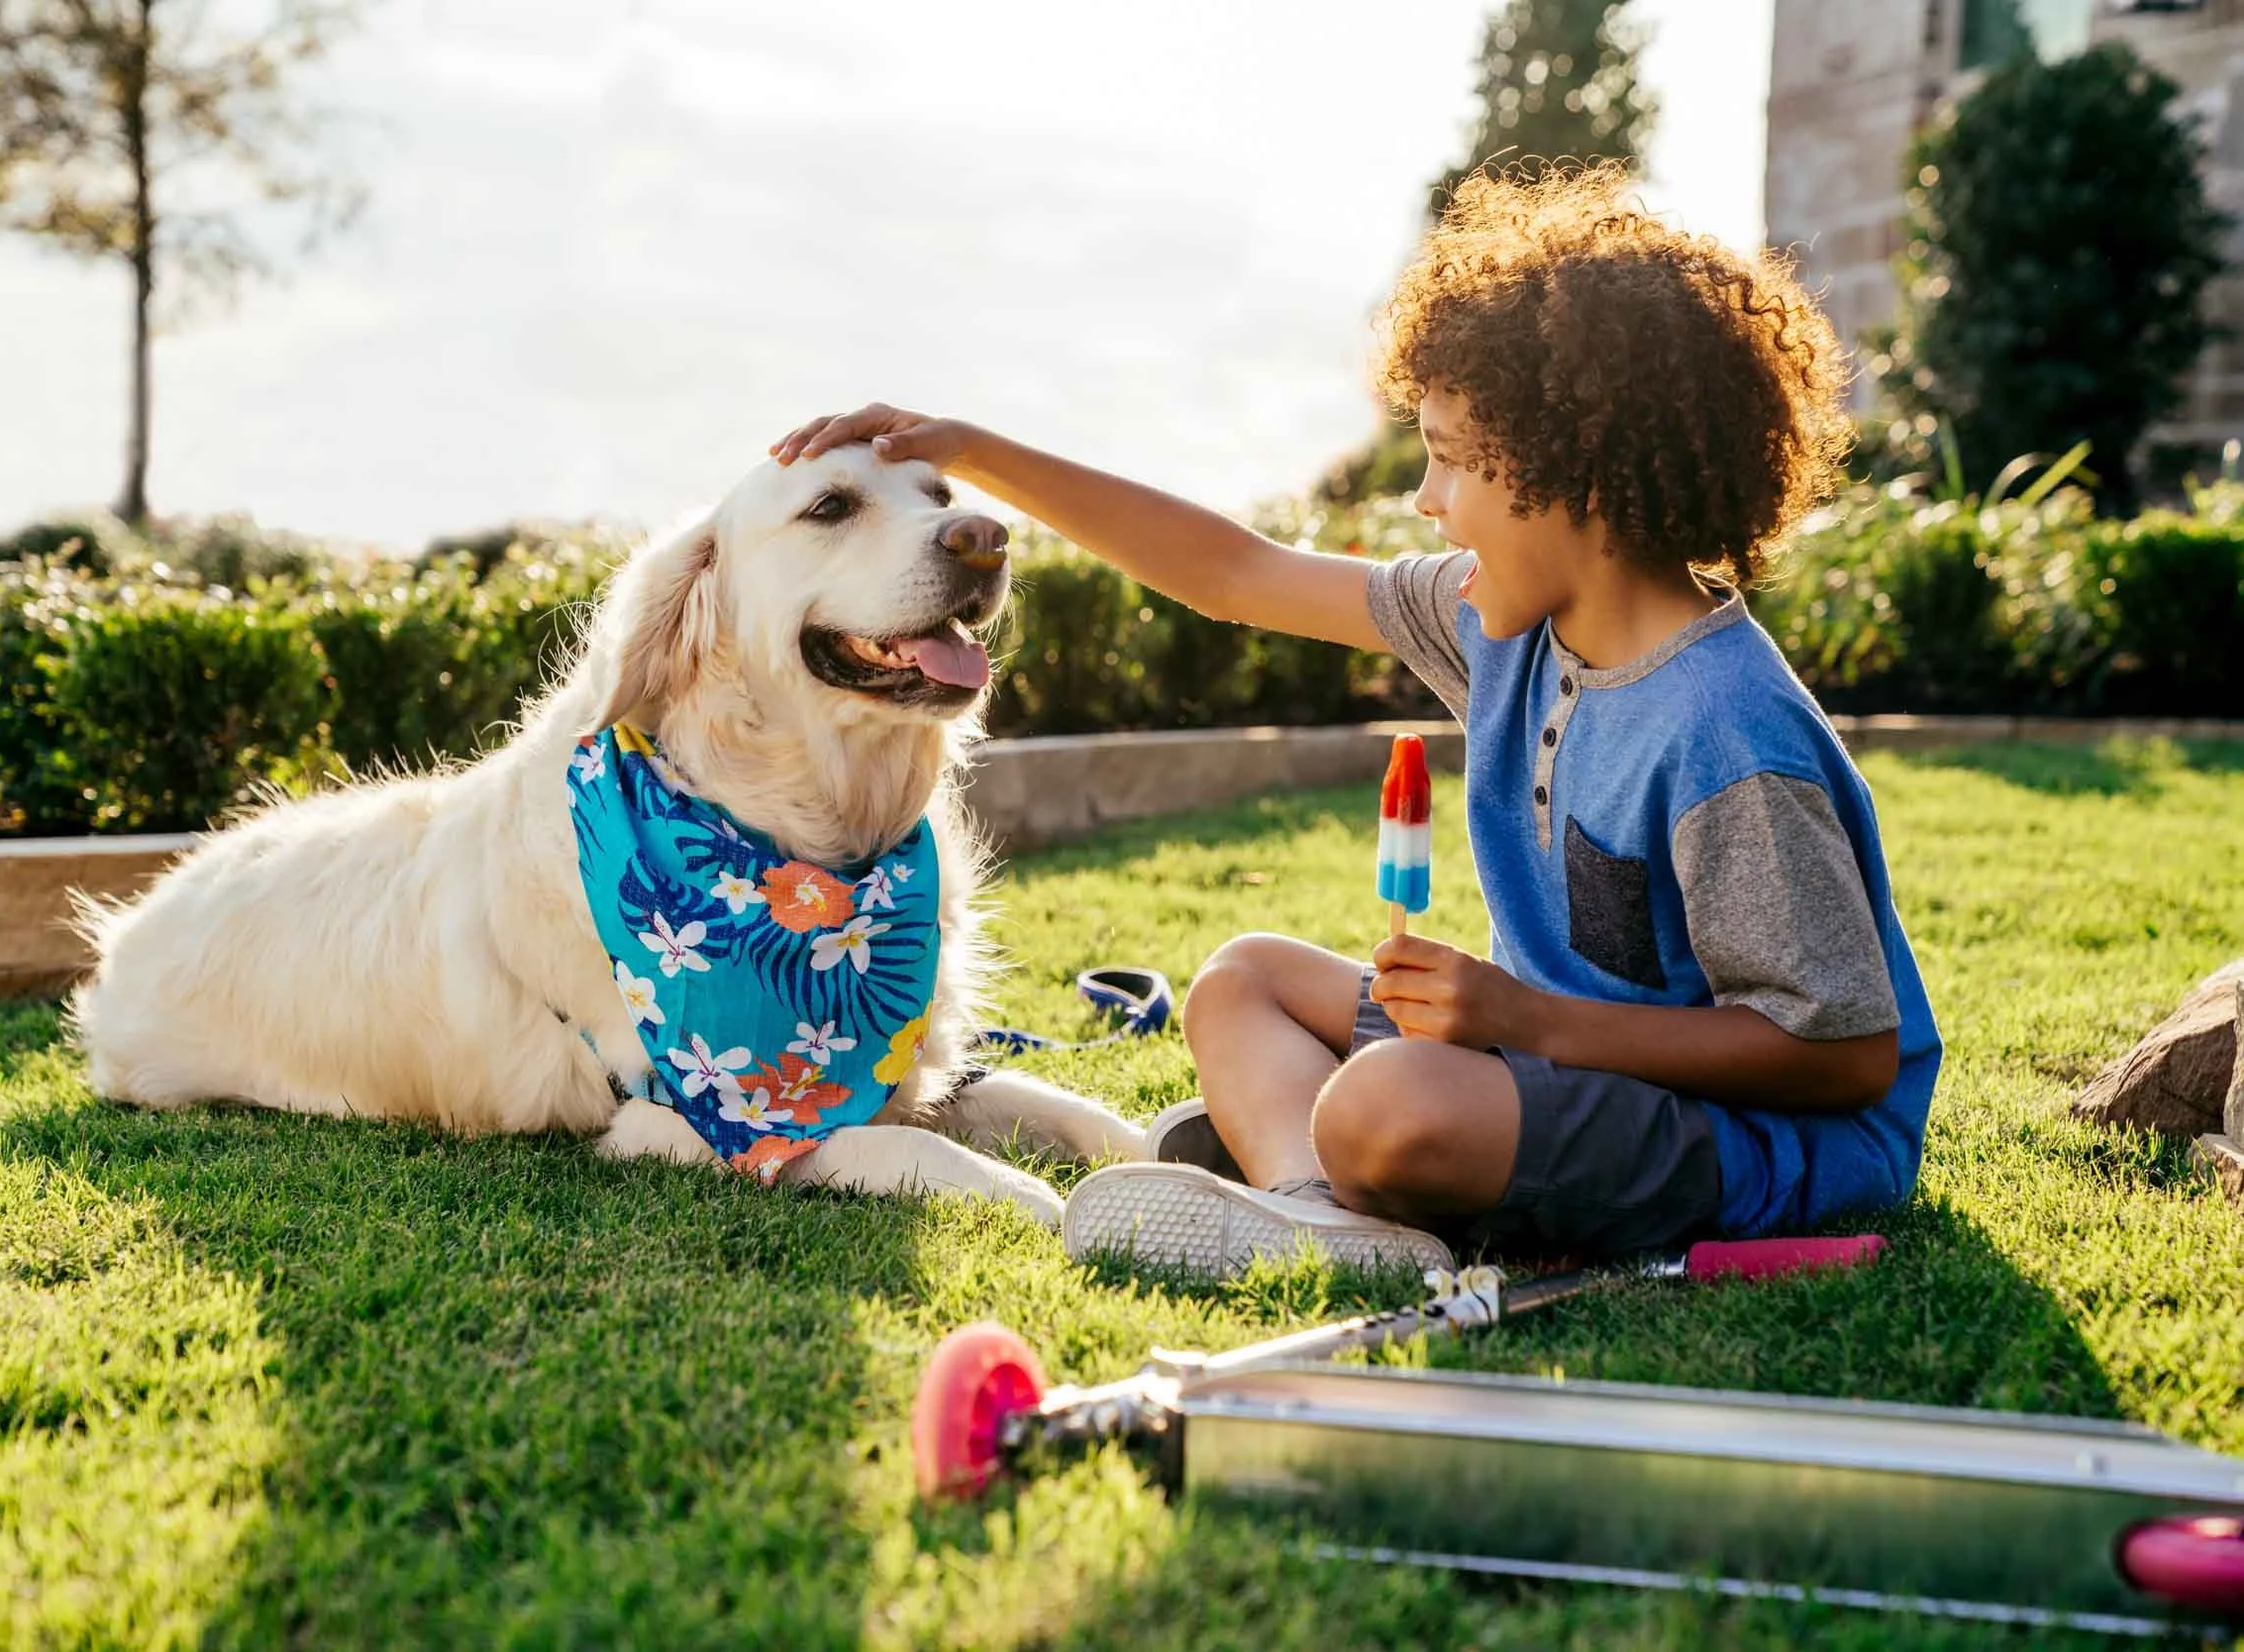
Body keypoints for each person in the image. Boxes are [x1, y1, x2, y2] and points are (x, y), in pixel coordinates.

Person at [770, 164, 1941, 1276]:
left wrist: (1523, 1017)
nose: (1426, 502)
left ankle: (1326, 1164)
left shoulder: (1725, 733)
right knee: (1243, 982)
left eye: (1448, 462)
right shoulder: (1502, 623)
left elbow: (1840, 1055)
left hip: (1769, 1145)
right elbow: (1236, 572)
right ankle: (1313, 1209)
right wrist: (971, 451)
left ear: (1578, 477)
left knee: (1388, 1105)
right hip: (1563, 1062)